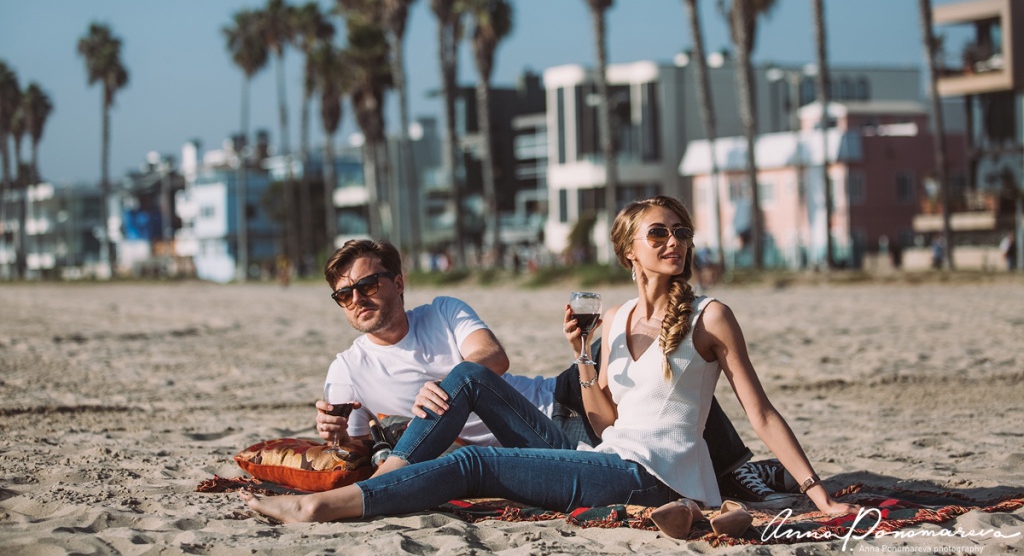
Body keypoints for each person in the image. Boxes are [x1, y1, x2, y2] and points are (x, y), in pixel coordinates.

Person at [242, 197, 856, 526]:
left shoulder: (711, 316)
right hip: (609, 452)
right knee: (474, 446)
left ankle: (327, 506)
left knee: (474, 457)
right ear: (630, 251)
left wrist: (819, 494)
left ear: (397, 282)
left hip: (644, 466)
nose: (674, 242)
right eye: (659, 233)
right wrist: (584, 357)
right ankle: (705, 498)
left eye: (681, 232)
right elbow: (606, 420)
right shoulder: (615, 319)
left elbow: (762, 411)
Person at [312, 239, 788, 505]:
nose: (357, 299)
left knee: (662, 351)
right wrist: (336, 434)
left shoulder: (441, 310)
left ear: (397, 282)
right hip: (530, 445)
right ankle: (748, 471)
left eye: (367, 284)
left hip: (558, 400)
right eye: (344, 295)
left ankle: (733, 470)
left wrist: (443, 387)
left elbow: (492, 358)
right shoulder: (347, 369)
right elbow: (353, 446)